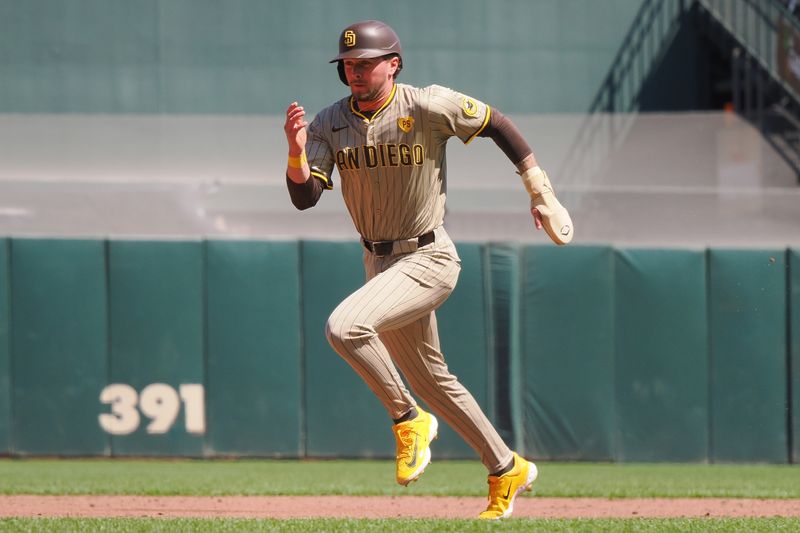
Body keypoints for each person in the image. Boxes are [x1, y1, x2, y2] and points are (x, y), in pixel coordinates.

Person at [283, 20, 572, 520]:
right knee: (435, 380)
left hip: (429, 254)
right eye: (349, 64)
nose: (355, 70)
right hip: (379, 261)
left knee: (344, 327)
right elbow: (306, 198)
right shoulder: (330, 121)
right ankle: (507, 468)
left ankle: (406, 419)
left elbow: (496, 123)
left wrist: (539, 190)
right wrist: (294, 152)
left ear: (393, 63)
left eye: (367, 62)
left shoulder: (426, 104)